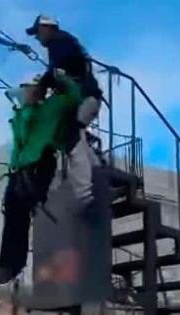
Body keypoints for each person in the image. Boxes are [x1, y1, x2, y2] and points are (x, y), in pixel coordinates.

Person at [0, 72, 83, 285]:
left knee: (29, 213)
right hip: (20, 169)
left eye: (30, 88)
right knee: (13, 217)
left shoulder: (52, 106)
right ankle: (7, 265)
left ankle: (20, 266)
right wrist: (27, 104)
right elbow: (21, 135)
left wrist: (59, 78)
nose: (26, 92)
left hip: (40, 164)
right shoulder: (22, 112)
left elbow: (74, 96)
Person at [26, 15, 103, 211]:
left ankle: (85, 194)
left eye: (37, 32)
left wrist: (41, 87)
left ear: (47, 28)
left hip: (84, 97)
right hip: (89, 98)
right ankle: (97, 169)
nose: (37, 38)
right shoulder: (66, 42)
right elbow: (60, 70)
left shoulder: (59, 42)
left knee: (71, 139)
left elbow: (58, 67)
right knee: (77, 135)